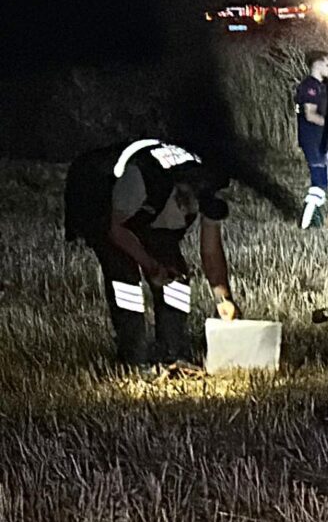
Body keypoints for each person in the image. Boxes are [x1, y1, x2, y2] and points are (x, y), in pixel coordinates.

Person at [62, 139, 239, 368]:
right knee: (125, 279)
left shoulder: (207, 190)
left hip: (148, 217)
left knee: (176, 276)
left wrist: (224, 299)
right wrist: (151, 265)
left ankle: (173, 351)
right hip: (101, 206)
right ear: (180, 191)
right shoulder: (142, 178)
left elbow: (211, 252)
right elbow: (117, 231)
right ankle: (134, 357)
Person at [293, 50, 328, 229]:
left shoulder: (321, 87)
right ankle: (306, 223)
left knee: (322, 182)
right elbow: (310, 115)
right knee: (319, 183)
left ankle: (315, 219)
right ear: (317, 64)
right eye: (327, 65)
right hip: (314, 140)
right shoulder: (310, 87)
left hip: (323, 140)